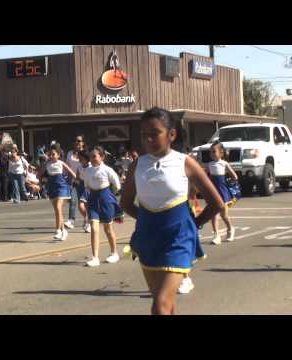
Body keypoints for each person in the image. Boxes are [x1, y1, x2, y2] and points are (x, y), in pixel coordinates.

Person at [120, 107, 224, 315]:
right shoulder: (136, 166)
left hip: (178, 239)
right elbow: (126, 203)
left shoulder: (185, 162)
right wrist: (147, 220)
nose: (148, 139)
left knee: (159, 306)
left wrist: (193, 224)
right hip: (148, 239)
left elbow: (216, 203)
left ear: (172, 134)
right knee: (166, 305)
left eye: (154, 133)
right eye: (144, 135)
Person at [81, 146, 122, 267]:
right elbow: (87, 186)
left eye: (95, 156)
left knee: (108, 229)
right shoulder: (87, 171)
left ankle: (114, 253)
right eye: (91, 157)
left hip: (106, 199)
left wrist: (114, 194)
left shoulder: (107, 170)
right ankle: (95, 257)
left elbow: (117, 184)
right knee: (94, 228)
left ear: (102, 157)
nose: (92, 159)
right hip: (93, 199)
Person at [41, 144, 76, 241]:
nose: (51, 156)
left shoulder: (61, 163)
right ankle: (63, 231)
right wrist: (40, 183)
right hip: (51, 187)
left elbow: (72, 173)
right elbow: (40, 173)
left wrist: (77, 182)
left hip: (62, 187)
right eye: (50, 154)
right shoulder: (47, 164)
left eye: (53, 154)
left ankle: (58, 230)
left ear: (58, 155)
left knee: (58, 207)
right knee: (57, 211)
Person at [207, 141, 239, 245]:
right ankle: (216, 236)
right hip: (213, 192)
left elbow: (235, 176)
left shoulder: (224, 163)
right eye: (210, 152)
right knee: (214, 215)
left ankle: (230, 229)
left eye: (213, 151)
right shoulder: (209, 164)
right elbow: (205, 176)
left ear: (221, 152)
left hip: (223, 192)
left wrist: (231, 182)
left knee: (224, 215)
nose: (211, 154)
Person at [64, 135, 86, 230]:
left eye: (79, 140)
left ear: (83, 143)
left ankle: (87, 221)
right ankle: (71, 220)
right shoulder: (69, 153)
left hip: (83, 181)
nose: (77, 142)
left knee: (83, 203)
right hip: (72, 181)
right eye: (75, 140)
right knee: (72, 200)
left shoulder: (85, 154)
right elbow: (66, 166)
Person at [76, 150, 91, 233]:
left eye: (81, 158)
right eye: (79, 158)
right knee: (81, 206)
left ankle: (88, 222)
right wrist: (75, 183)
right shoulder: (79, 167)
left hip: (89, 186)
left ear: (86, 158)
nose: (80, 160)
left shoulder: (91, 166)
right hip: (81, 187)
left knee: (88, 206)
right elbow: (77, 178)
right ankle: (87, 218)